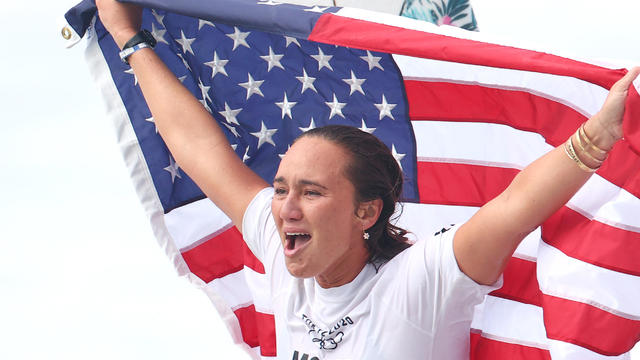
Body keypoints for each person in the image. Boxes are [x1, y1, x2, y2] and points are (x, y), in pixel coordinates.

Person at [95, 0, 639, 358]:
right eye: (282, 187)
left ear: (367, 211)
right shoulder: (285, 257)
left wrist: (596, 135)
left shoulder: (421, 282)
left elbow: (516, 205)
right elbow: (200, 150)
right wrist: (129, 38)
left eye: (312, 192)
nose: (284, 205)